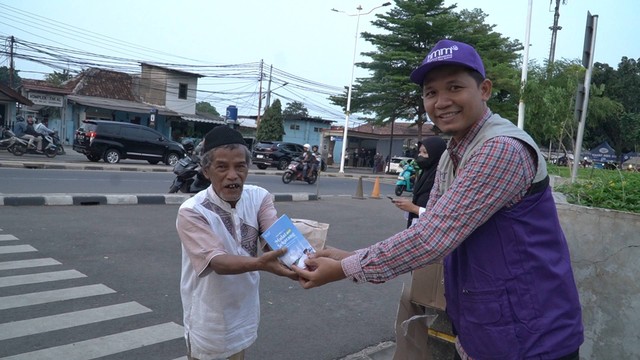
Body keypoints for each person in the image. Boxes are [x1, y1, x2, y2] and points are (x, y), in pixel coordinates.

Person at [293, 39, 583, 360]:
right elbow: (432, 226)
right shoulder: (453, 153)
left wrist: (345, 268)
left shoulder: (500, 149)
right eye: (431, 92)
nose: (442, 101)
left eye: (455, 87)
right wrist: (351, 256)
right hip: (487, 328)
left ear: (484, 89)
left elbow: (432, 238)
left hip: (531, 334)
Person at [176, 126, 297, 360]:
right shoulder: (192, 211)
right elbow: (218, 262)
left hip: (244, 312)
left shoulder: (259, 196)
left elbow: (275, 236)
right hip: (209, 317)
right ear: (206, 170)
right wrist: (262, 263)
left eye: (240, 166)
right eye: (222, 167)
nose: (233, 175)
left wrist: (302, 256)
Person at [391, 136, 446, 228]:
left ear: (437, 154)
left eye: (425, 152)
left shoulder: (442, 178)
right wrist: (409, 205)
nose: (420, 155)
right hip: (416, 225)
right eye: (420, 152)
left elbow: (442, 215)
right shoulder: (424, 173)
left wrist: (413, 208)